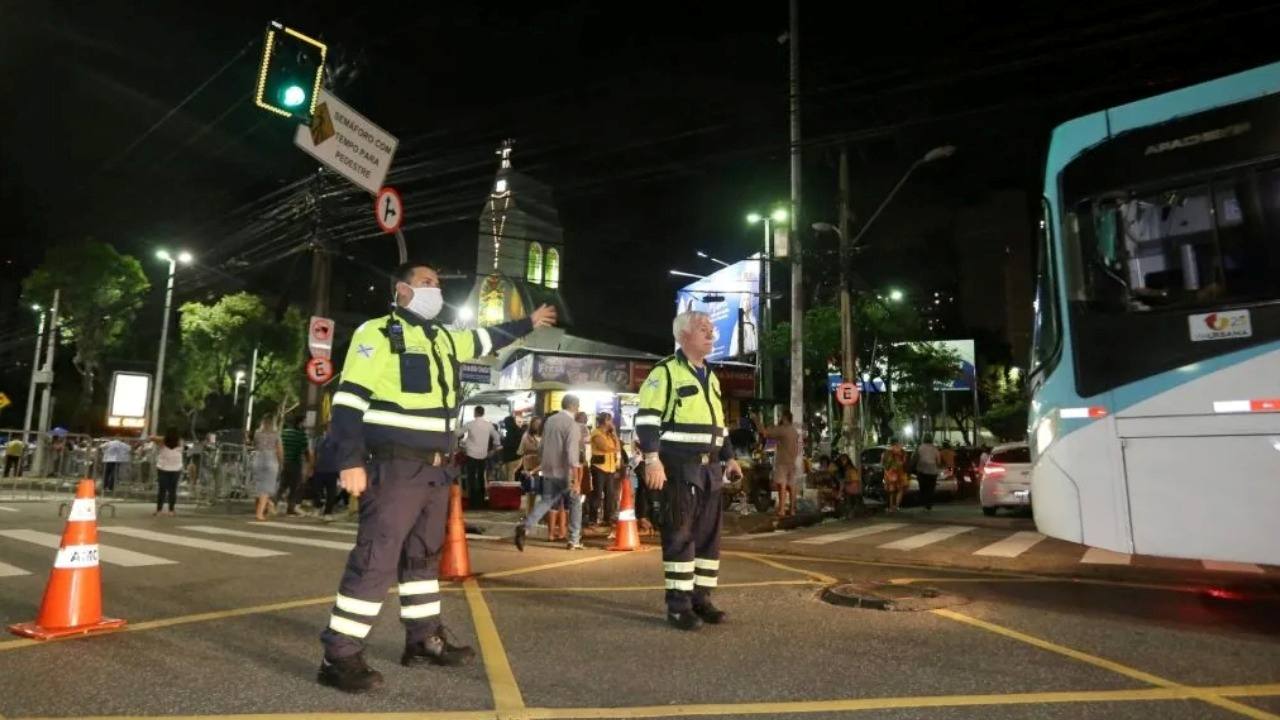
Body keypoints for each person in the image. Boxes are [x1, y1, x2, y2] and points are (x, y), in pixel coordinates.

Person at [319, 260, 556, 693]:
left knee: (424, 559)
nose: (437, 289)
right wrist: (349, 460)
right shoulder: (377, 333)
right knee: (376, 558)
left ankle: (423, 638)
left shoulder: (445, 338)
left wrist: (529, 322)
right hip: (394, 465)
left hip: (436, 469)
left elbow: (489, 337)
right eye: (427, 282)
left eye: (438, 284)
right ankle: (340, 655)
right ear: (402, 290)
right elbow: (349, 400)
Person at [636, 311, 743, 631]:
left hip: (709, 469)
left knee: (708, 538)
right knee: (680, 536)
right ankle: (678, 606)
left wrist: (730, 458)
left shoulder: (710, 375)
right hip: (678, 467)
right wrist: (652, 459)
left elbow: (718, 425)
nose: (711, 335)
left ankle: (701, 599)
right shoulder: (664, 373)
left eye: (712, 330)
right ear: (683, 336)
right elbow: (647, 419)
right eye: (703, 330)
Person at [515, 394, 584, 551]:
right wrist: (576, 479)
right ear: (573, 406)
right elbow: (572, 454)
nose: (578, 409)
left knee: (546, 501)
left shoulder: (550, 421)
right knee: (575, 503)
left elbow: (541, 447)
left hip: (548, 469)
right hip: (565, 471)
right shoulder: (572, 425)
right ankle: (573, 539)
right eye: (578, 405)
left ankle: (525, 526)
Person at [757, 411, 800, 518]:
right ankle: (792, 510)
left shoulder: (783, 429)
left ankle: (781, 510)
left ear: (785, 418)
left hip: (782, 462)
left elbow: (765, 433)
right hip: (792, 461)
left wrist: (757, 421)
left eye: (781, 417)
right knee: (792, 486)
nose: (780, 418)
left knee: (782, 485)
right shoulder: (794, 431)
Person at [457, 406, 500, 509]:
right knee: (481, 477)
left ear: (475, 413)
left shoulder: (470, 424)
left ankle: (472, 502)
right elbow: (497, 437)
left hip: (471, 454)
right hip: (483, 455)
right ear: (483, 413)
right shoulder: (488, 425)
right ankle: (480, 500)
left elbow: (458, 433)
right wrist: (493, 449)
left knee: (471, 477)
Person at [588, 412, 622, 528]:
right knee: (597, 494)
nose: (612, 423)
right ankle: (592, 519)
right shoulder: (596, 434)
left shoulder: (610, 435)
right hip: (599, 467)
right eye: (610, 421)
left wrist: (615, 434)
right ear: (605, 421)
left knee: (610, 494)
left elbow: (618, 446)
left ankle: (608, 518)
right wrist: (615, 446)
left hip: (610, 468)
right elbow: (606, 447)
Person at [277, 415, 312, 516]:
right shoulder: (302, 435)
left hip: (284, 462)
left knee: (282, 485)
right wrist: (309, 464)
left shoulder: (285, 432)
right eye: (304, 422)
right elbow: (306, 451)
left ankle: (271, 503)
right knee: (295, 486)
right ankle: (290, 507)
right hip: (296, 463)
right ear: (300, 423)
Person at [252, 415, 283, 521]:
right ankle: (260, 513)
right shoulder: (276, 434)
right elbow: (279, 450)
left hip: (258, 458)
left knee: (259, 486)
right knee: (266, 487)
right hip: (271, 459)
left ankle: (267, 506)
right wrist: (281, 462)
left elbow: (255, 445)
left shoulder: (257, 433)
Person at [312, 426, 342, 521]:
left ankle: (327, 512)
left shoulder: (338, 441)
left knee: (331, 492)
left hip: (332, 469)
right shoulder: (319, 440)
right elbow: (314, 453)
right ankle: (318, 506)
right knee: (317, 490)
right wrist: (312, 466)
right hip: (320, 468)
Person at [153, 429, 184, 516]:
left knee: (162, 490)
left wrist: (165, 438)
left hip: (163, 468)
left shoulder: (162, 443)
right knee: (172, 490)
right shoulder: (180, 442)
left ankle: (159, 510)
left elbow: (152, 438)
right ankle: (171, 510)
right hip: (176, 468)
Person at [517, 416, 543, 515]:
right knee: (531, 490)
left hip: (542, 464)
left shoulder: (544, 435)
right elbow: (522, 451)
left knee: (542, 490)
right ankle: (529, 513)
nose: (537, 425)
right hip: (530, 464)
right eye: (535, 423)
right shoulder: (526, 436)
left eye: (539, 423)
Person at [881, 438, 909, 513]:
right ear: (897, 442)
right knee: (900, 490)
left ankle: (891, 507)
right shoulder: (902, 451)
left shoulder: (887, 452)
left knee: (891, 491)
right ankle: (896, 506)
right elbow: (905, 462)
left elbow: (883, 463)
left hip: (890, 473)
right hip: (900, 472)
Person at [500, 415, 525, 484]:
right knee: (510, 475)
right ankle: (511, 490)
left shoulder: (511, 433)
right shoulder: (519, 431)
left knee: (510, 476)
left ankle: (510, 491)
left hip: (512, 457)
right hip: (518, 457)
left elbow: (509, 445)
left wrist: (503, 445)